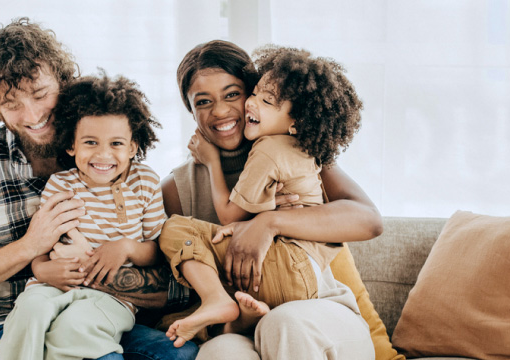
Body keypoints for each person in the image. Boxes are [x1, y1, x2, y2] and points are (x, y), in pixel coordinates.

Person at [0, 18, 196, 360]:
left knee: (179, 355)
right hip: (0, 327)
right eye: (11, 103)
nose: (32, 114)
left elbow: (176, 285)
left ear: (63, 81)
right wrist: (30, 248)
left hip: (100, 312)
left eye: (40, 94)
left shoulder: (109, 157)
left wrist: (95, 272)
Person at [161, 39, 384, 360]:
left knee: (284, 323)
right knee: (220, 353)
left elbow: (369, 221)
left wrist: (269, 222)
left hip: (318, 312)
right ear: (191, 110)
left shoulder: (299, 149)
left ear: (252, 94)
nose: (220, 111)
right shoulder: (177, 188)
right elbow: (180, 283)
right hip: (242, 324)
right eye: (203, 102)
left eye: (232, 94)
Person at [0, 73, 169, 360]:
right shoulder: (61, 185)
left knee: (74, 327)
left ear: (133, 147)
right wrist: (40, 269)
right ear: (71, 145)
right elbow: (44, 243)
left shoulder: (145, 182)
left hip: (113, 297)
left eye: (116, 144)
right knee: (30, 311)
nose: (103, 155)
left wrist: (125, 247)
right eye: (90, 142)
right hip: (52, 284)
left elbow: (157, 249)